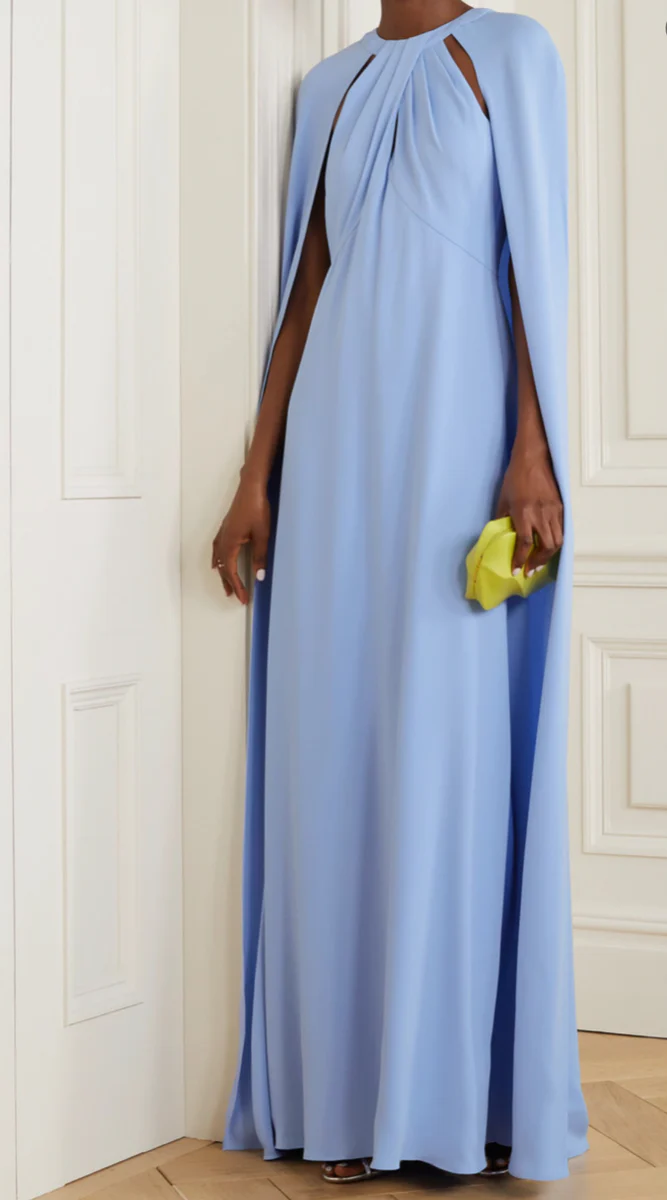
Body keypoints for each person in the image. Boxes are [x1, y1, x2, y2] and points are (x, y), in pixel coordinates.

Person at [213, 0, 589, 1184]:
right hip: (332, 463)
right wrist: (254, 479)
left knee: (447, 757)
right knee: (334, 763)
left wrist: (532, 451)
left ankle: (452, 1101)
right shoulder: (326, 88)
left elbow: (532, 270)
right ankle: (346, 1101)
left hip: (454, 453)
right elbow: (304, 296)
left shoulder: (511, 53)